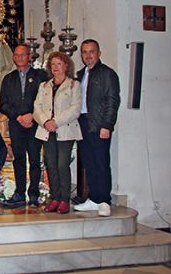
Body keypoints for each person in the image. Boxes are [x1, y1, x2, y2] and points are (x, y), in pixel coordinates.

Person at [74, 39, 120, 217]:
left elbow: (112, 101)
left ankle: (104, 200)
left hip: (99, 124)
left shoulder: (107, 74)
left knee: (101, 162)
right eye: (84, 52)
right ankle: (93, 198)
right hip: (83, 123)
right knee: (89, 163)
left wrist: (107, 125)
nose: (88, 55)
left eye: (91, 51)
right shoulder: (80, 74)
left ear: (99, 53)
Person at [0, 44, 48, 208]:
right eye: (17, 55)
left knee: (34, 160)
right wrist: (18, 116)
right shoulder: (9, 78)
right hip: (16, 124)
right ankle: (19, 193)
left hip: (34, 124)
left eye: (23, 55)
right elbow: (3, 105)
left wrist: (32, 115)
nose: (20, 58)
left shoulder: (40, 76)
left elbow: (45, 101)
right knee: (18, 159)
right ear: (14, 58)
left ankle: (34, 193)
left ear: (29, 57)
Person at [34, 52, 82, 214]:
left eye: (58, 64)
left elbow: (75, 109)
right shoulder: (44, 86)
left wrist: (56, 121)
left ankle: (64, 199)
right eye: (52, 64)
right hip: (47, 130)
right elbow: (37, 107)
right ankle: (54, 197)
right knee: (50, 164)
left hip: (65, 130)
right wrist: (46, 121)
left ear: (66, 66)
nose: (55, 67)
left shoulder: (74, 85)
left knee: (62, 165)